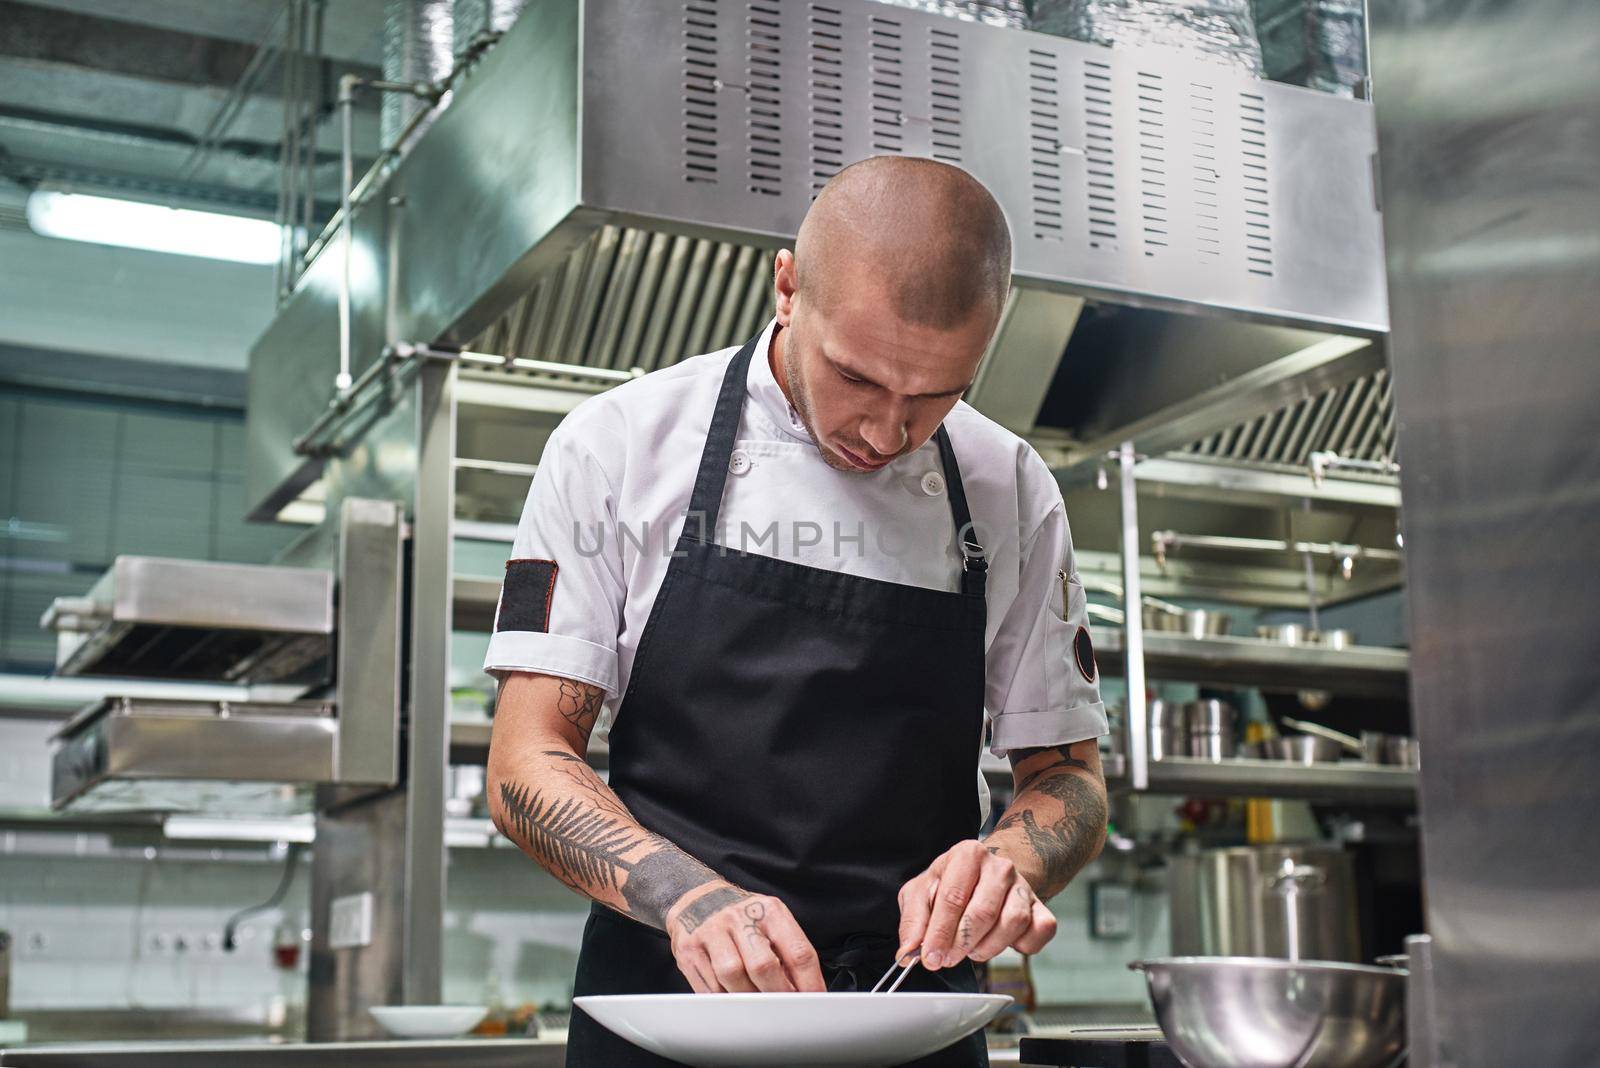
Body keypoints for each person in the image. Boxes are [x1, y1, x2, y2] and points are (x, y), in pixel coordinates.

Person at [483, 155, 1108, 1067]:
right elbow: (525, 762)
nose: (886, 433)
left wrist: (1012, 861)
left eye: (936, 395)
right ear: (787, 288)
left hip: (913, 1017)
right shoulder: (619, 446)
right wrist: (686, 899)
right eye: (857, 378)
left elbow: (1071, 778)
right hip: (670, 1015)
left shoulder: (1008, 486)